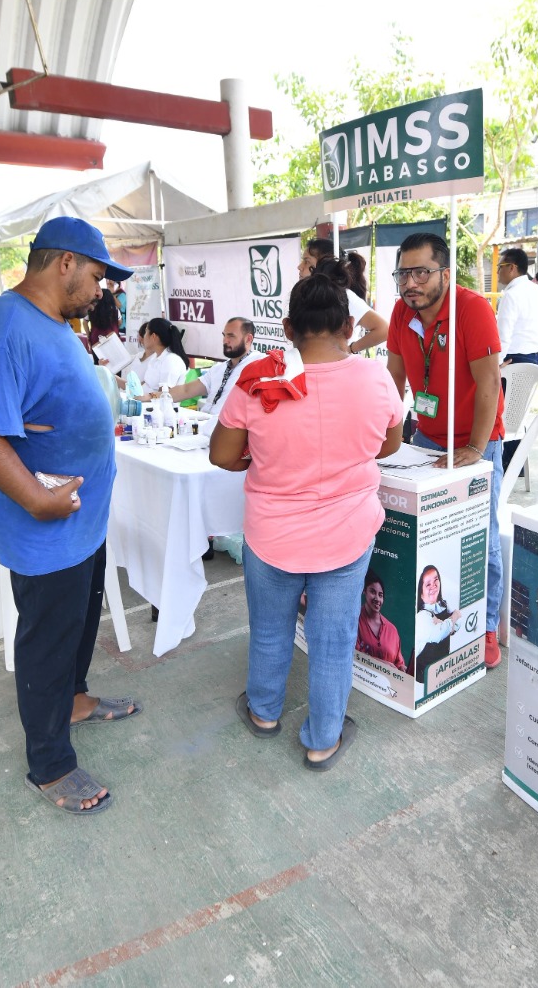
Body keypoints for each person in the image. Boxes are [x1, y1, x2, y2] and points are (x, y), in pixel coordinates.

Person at [0, 216, 140, 816]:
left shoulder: (52, 323)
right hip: (46, 525)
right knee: (48, 639)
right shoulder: (3, 327)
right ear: (65, 265)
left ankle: (76, 700)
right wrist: (36, 498)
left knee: (80, 623)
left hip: (79, 520)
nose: (102, 289)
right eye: (99, 275)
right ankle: (50, 764)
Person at [210, 260, 404, 770]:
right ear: (348, 327)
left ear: (288, 329)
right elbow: (389, 444)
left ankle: (264, 713)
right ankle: (323, 739)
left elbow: (222, 456)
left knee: (270, 627)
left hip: (273, 534)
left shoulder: (258, 379)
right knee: (333, 638)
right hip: (347, 532)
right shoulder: (376, 378)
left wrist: (266, 457)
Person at [384, 232, 507, 670]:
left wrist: (476, 446)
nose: (410, 283)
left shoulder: (472, 309)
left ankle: (487, 627)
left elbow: (490, 382)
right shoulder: (401, 313)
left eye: (421, 272)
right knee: (427, 535)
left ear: (445, 273)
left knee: (481, 534)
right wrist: (385, 439)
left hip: (478, 439)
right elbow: (392, 382)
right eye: (403, 273)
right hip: (427, 436)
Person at [299, 238, 389, 353]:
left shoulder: (344, 296)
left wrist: (350, 349)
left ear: (326, 263)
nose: (300, 266)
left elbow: (383, 329)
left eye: (307, 261)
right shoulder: (306, 294)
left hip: (341, 368)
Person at [166, 317, 263, 416]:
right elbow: (186, 390)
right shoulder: (218, 369)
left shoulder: (259, 363)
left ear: (248, 339)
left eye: (231, 336)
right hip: (205, 423)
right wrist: (154, 396)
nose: (225, 340)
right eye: (224, 335)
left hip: (229, 428)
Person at [494, 247, 538, 369]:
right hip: (535, 358)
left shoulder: (510, 295)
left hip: (512, 360)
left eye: (500, 266)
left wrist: (497, 364)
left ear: (512, 268)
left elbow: (503, 335)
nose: (498, 271)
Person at [411, 565, 455, 682]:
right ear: (421, 592)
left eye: (436, 580)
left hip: (441, 669)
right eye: (428, 584)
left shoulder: (443, 605)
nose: (434, 585)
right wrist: (452, 619)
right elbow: (438, 635)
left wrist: (444, 622)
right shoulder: (422, 616)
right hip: (424, 678)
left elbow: (458, 621)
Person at [355, 570, 405, 671]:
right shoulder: (354, 619)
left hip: (389, 685)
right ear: (364, 591)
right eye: (373, 592)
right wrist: (382, 665)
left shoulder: (392, 630)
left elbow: (399, 663)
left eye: (380, 595)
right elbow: (354, 656)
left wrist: (402, 668)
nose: (377, 599)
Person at [128, 317, 192, 393]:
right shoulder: (155, 357)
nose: (143, 337)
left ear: (153, 336)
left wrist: (142, 398)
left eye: (146, 332)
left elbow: (164, 394)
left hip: (154, 404)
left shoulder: (171, 360)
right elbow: (145, 385)